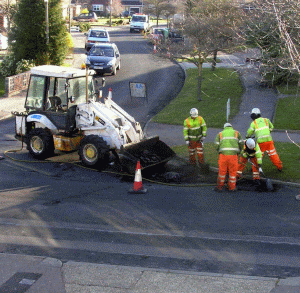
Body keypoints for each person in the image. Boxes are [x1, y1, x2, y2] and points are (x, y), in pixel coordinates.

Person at [214, 123, 244, 192]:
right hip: (233, 156)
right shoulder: (236, 133)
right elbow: (241, 143)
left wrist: (219, 151)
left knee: (222, 172)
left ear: (224, 127)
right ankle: (232, 187)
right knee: (233, 173)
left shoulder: (220, 134)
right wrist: (239, 151)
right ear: (231, 127)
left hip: (223, 156)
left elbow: (216, 145)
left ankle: (219, 187)